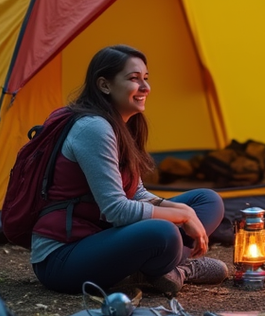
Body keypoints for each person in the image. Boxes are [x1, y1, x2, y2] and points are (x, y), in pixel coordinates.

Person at [31, 45, 228, 296]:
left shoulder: (123, 123)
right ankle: (178, 269)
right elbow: (116, 211)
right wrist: (182, 218)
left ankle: (160, 270)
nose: (145, 87)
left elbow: (136, 192)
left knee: (206, 200)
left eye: (146, 78)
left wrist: (184, 210)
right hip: (63, 257)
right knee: (163, 232)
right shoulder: (93, 128)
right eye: (134, 79)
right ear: (104, 85)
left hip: (102, 236)